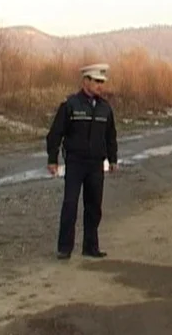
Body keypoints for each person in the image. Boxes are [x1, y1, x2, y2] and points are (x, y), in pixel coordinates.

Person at [46, 63, 118, 260]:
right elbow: (55, 133)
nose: (100, 86)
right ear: (85, 81)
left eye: (101, 82)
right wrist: (52, 159)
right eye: (96, 81)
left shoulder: (105, 108)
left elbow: (110, 136)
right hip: (76, 162)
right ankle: (64, 248)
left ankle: (91, 247)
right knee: (70, 204)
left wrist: (113, 159)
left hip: (96, 164)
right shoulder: (71, 105)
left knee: (94, 206)